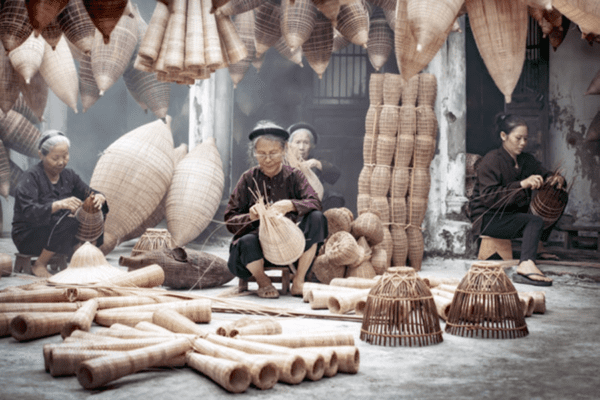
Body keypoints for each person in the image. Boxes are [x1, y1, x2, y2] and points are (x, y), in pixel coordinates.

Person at [225, 121, 328, 298]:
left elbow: (315, 202)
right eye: (262, 154)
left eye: (273, 153)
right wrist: (250, 217)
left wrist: (292, 205)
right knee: (246, 242)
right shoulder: (248, 179)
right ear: (254, 153)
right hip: (257, 251)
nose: (267, 159)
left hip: (290, 246)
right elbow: (229, 220)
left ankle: (299, 280)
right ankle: (262, 280)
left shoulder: (294, 176)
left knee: (317, 218)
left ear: (284, 150)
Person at [468, 115, 566, 287]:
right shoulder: (491, 160)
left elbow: (545, 173)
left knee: (556, 198)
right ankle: (525, 264)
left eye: (525, 139)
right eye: (518, 138)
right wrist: (522, 184)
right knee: (534, 221)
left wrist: (555, 179)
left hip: (509, 214)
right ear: (503, 136)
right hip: (488, 217)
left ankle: (538, 247)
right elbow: (489, 197)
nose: (522, 143)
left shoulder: (525, 160)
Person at [12, 130, 109, 278]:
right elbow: (29, 212)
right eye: (55, 157)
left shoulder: (69, 176)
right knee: (68, 220)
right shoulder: (31, 178)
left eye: (65, 156)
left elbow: (89, 192)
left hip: (59, 233)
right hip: (30, 235)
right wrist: (58, 205)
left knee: (97, 207)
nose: (61, 162)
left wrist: (100, 197)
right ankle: (40, 264)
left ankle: (82, 255)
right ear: (41, 155)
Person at [288, 122, 345, 211]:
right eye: (297, 142)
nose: (301, 147)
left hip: (314, 202)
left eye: (306, 143)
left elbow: (336, 174)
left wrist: (317, 163)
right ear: (290, 144)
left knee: (335, 198)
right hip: (290, 202)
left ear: (311, 145)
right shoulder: (283, 162)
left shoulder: (314, 162)